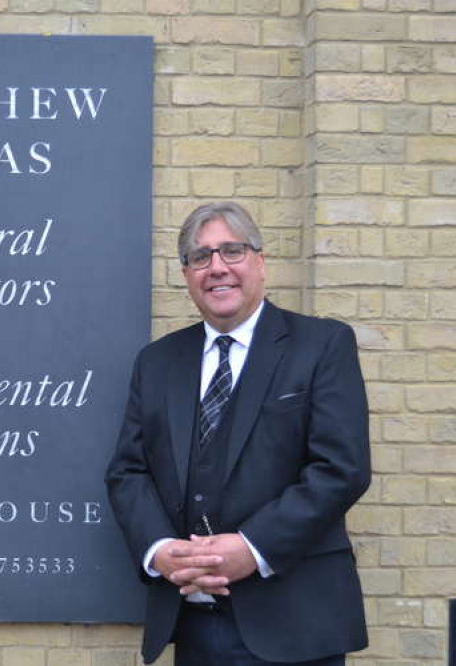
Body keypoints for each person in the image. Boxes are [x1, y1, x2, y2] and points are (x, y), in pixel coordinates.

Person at [106, 202, 370, 665]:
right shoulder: (158, 362)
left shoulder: (322, 345)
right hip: (192, 626)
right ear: (186, 274)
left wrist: (253, 548)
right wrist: (161, 551)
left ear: (260, 261)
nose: (217, 268)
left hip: (296, 626)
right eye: (200, 257)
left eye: (232, 251)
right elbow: (129, 472)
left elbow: (341, 469)